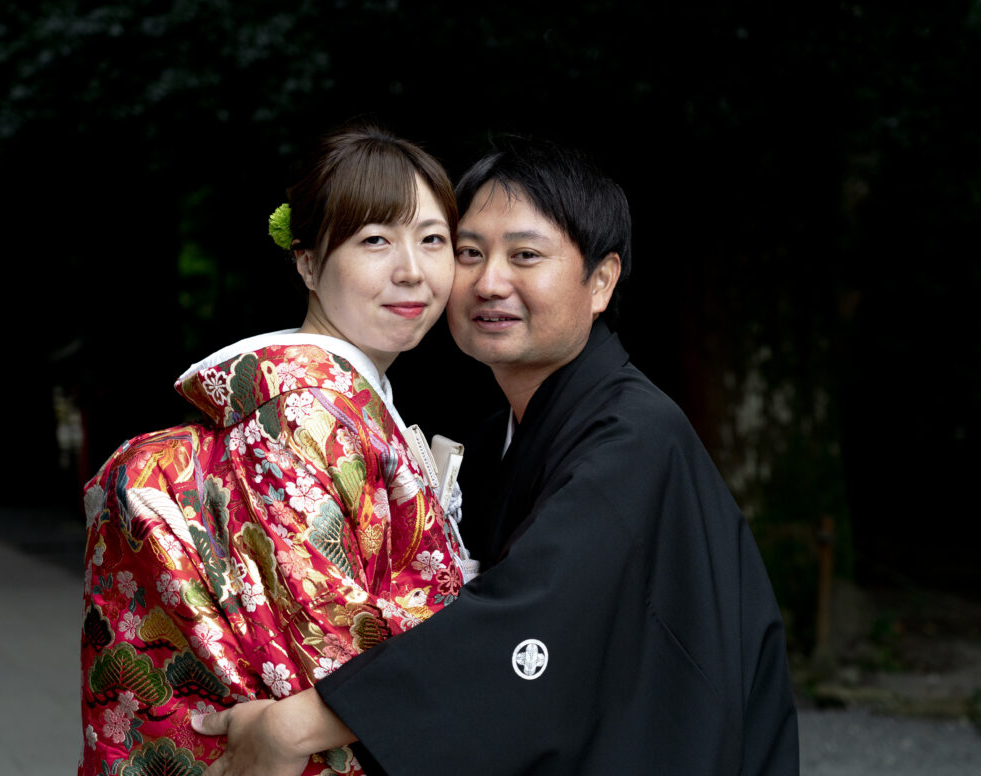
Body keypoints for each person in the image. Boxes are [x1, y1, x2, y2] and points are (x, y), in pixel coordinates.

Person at [195, 136, 800, 775]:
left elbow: (532, 618)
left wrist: (297, 723)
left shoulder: (637, 438)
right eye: (469, 253)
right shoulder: (493, 440)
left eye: (525, 255)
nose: (488, 283)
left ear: (601, 281)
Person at [78, 125, 473, 776]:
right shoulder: (303, 417)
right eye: (375, 240)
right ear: (308, 262)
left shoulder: (339, 404)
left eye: (433, 240)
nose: (412, 270)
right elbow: (332, 646)